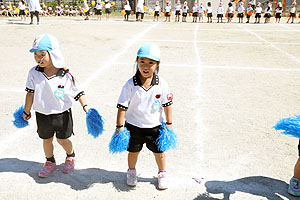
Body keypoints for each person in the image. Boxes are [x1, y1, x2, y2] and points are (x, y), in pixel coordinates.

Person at [23, 34, 90, 178]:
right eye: (35, 54)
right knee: (46, 139)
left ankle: (70, 156)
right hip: (42, 113)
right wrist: (26, 111)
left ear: (53, 53)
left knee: (62, 139)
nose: (38, 58)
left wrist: (86, 107)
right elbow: (30, 93)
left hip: (62, 113)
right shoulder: (33, 72)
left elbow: (78, 92)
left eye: (42, 54)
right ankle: (50, 161)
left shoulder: (64, 74)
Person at [115, 43, 173, 190]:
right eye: (142, 62)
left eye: (151, 63)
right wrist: (119, 127)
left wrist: (169, 123)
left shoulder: (162, 84)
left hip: (155, 127)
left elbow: (167, 105)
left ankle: (162, 173)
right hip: (134, 127)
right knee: (133, 151)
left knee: (159, 153)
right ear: (137, 61)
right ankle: (131, 171)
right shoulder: (130, 84)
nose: (145, 66)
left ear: (158, 64)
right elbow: (122, 107)